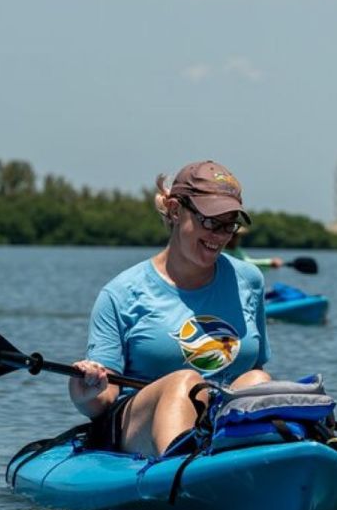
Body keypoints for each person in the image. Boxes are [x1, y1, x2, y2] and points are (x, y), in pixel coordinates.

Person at [70, 160, 272, 457]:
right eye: (210, 221)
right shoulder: (120, 294)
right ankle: (180, 471)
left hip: (220, 418)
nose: (219, 236)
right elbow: (103, 400)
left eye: (229, 224)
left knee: (259, 382)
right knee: (185, 382)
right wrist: (85, 393)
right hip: (137, 426)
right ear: (176, 210)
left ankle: (243, 465)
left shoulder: (250, 281)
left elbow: (254, 367)